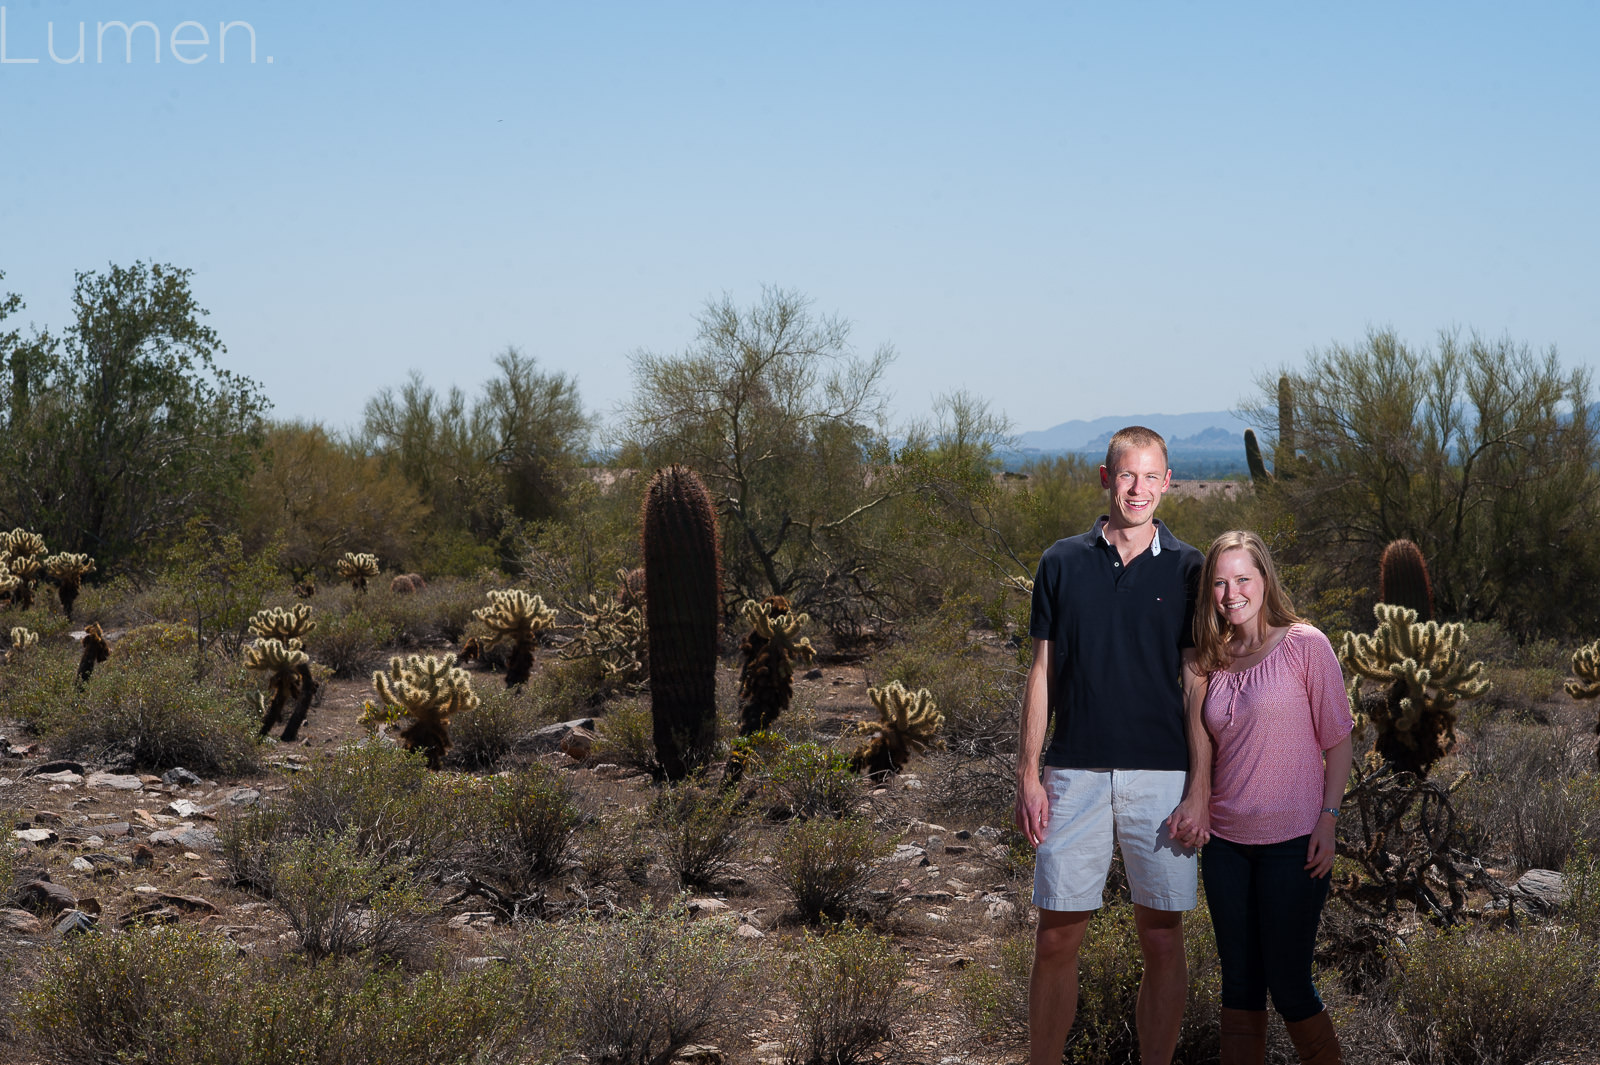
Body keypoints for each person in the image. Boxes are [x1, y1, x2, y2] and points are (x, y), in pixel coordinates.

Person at [1015, 425, 1206, 1065]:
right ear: (1106, 478)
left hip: (1163, 779)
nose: (1139, 489)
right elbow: (1041, 672)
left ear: (1168, 483)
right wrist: (1029, 773)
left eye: (1152, 476)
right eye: (1128, 475)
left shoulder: (1190, 569)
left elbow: (1196, 682)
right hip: (1075, 772)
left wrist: (1202, 788)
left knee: (1162, 939)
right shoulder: (1061, 562)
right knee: (1055, 939)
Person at [1167, 530, 1354, 1065]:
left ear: (1265, 579)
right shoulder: (1212, 659)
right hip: (1226, 846)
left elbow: (1339, 743)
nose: (1231, 594)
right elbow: (1199, 738)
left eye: (1242, 579)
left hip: (1293, 845)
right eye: (1220, 584)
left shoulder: (1305, 645)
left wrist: (1328, 820)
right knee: (1239, 988)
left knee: (1289, 984)